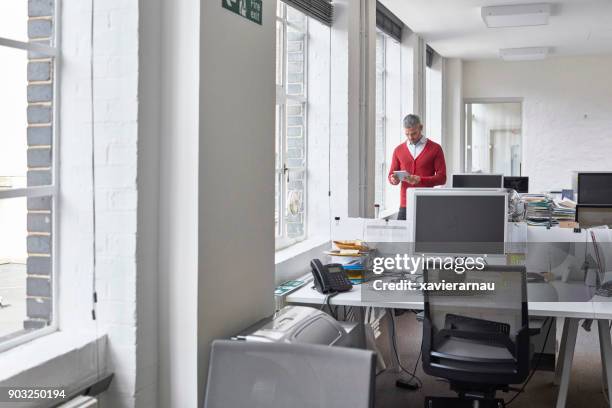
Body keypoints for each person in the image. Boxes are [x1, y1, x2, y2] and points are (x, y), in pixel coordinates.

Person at [388, 114, 447, 220]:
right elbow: (391, 175)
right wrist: (393, 179)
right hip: (405, 205)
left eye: (414, 133)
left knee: (427, 236)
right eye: (407, 134)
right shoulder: (398, 150)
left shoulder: (436, 149)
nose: (410, 137)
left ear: (421, 128)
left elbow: (442, 178)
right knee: (401, 236)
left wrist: (421, 180)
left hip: (427, 203)